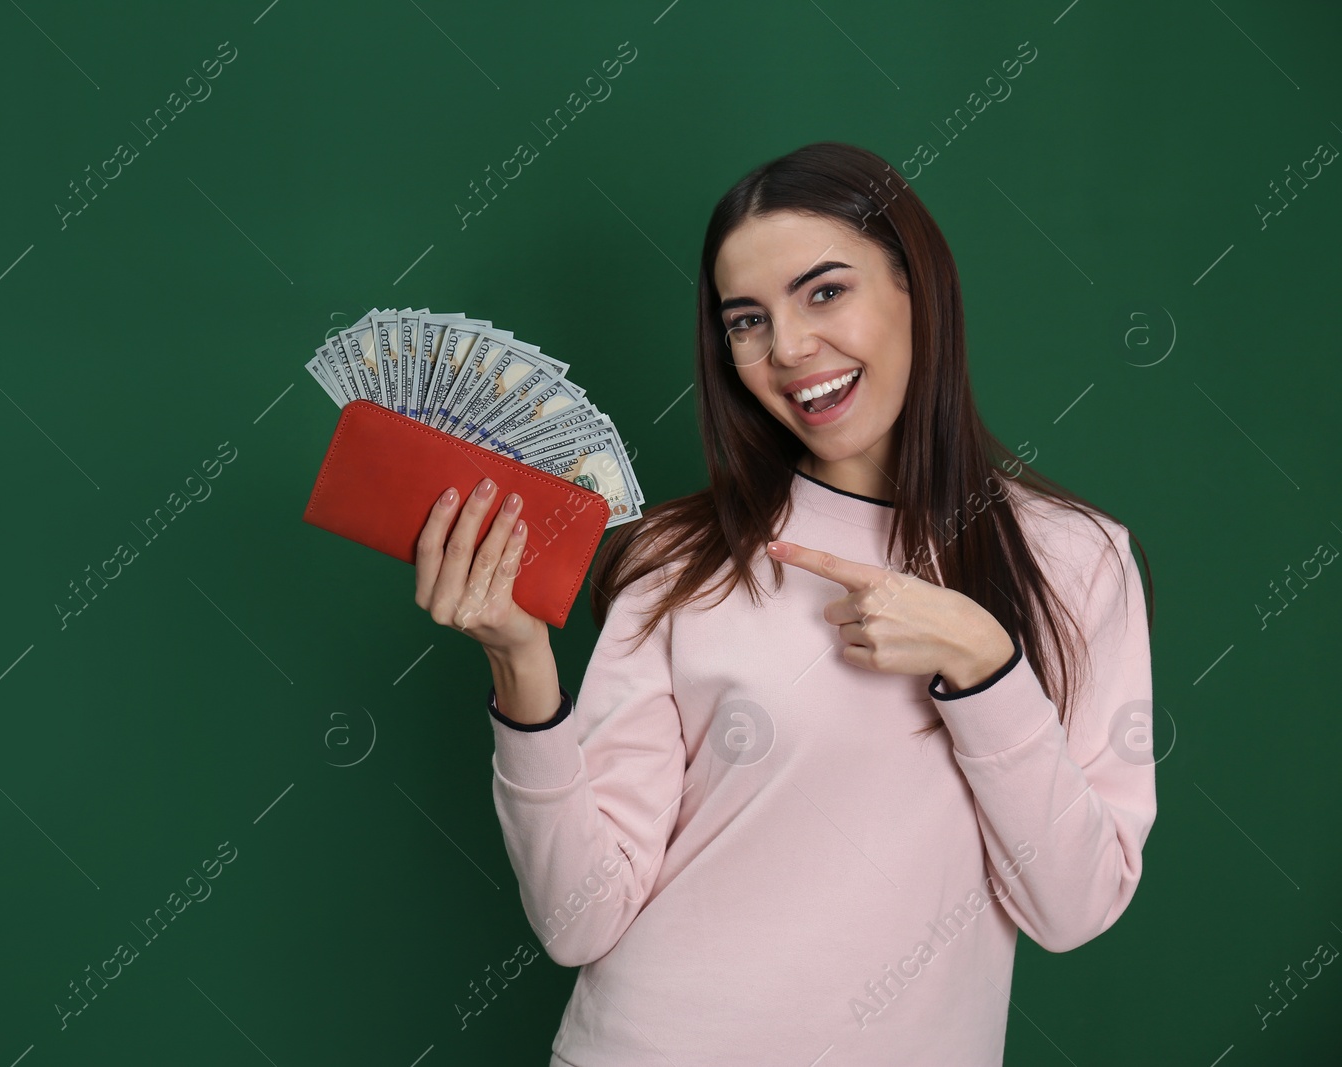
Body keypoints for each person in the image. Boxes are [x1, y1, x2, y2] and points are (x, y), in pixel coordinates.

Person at [413, 141, 1157, 1065]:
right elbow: (581, 920)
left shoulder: (1077, 558)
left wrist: (984, 665)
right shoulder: (681, 561)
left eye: (825, 291)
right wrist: (520, 665)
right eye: (746, 320)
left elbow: (1073, 905)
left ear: (916, 287)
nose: (791, 348)